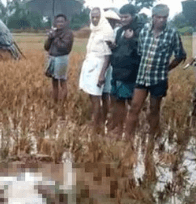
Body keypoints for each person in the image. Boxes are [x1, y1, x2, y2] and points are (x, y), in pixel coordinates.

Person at [124, 4, 186, 141]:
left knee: (154, 109)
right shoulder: (145, 30)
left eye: (164, 17)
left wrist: (168, 68)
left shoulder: (172, 33)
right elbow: (140, 51)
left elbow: (181, 55)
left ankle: (152, 138)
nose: (162, 20)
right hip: (142, 76)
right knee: (134, 106)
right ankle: (127, 137)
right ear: (153, 17)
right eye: (158, 17)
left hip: (159, 79)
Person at [107, 4, 144, 138]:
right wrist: (113, 46)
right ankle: (119, 128)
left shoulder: (140, 30)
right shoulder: (119, 31)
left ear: (133, 16)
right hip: (117, 70)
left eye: (126, 17)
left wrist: (132, 40)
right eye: (121, 17)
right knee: (118, 100)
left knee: (131, 103)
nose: (123, 19)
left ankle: (131, 132)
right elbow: (119, 48)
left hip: (131, 72)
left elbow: (142, 50)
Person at [79, 7, 116, 132]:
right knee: (98, 95)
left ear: (102, 17)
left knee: (96, 97)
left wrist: (101, 74)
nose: (94, 19)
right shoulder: (94, 29)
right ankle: (100, 121)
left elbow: (107, 55)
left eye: (97, 17)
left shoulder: (106, 31)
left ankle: (96, 125)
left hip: (99, 66)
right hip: (91, 65)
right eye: (93, 17)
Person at [44, 14, 74, 102]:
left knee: (62, 81)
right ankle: (55, 101)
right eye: (57, 21)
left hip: (61, 58)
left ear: (66, 22)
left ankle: (63, 103)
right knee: (54, 81)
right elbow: (46, 47)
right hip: (52, 58)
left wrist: (55, 37)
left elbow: (64, 47)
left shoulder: (68, 33)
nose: (59, 23)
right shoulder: (54, 32)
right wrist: (49, 38)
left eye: (61, 21)